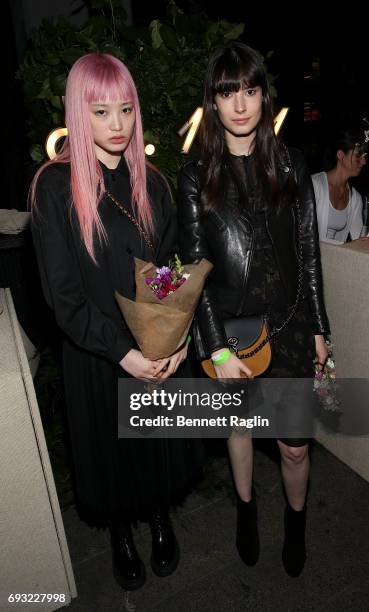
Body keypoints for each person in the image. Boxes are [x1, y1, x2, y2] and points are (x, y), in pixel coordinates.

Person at [30, 53, 203, 591]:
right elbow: (63, 297)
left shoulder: (151, 183)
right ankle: (121, 533)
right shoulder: (53, 188)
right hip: (97, 352)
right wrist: (122, 352)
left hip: (153, 343)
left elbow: (168, 270)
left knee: (156, 447)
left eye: (126, 109)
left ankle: (157, 518)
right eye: (101, 111)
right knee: (112, 454)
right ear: (79, 114)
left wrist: (175, 339)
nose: (118, 124)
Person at [177, 42, 330, 577]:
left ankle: (295, 521)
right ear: (213, 103)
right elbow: (193, 272)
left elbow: (309, 256)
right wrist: (214, 348)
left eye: (249, 89)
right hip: (232, 331)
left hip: (289, 330)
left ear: (264, 96)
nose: (239, 104)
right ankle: (246, 511)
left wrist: (320, 331)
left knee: (293, 448)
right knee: (239, 430)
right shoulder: (196, 177)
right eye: (227, 92)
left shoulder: (291, 164)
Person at [312, 124, 367, 242]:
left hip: (336, 258)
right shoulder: (315, 186)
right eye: (358, 155)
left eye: (364, 156)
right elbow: (303, 235)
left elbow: (359, 240)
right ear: (340, 155)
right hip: (312, 259)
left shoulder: (355, 198)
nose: (363, 162)